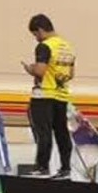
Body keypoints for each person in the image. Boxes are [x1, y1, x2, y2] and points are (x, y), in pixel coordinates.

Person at [22, 14, 75, 179]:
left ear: (40, 30)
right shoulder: (67, 47)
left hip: (44, 94)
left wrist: (29, 68)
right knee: (62, 132)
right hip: (61, 96)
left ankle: (42, 167)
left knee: (43, 132)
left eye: (35, 34)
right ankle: (65, 168)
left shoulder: (44, 46)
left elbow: (40, 71)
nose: (36, 39)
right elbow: (71, 74)